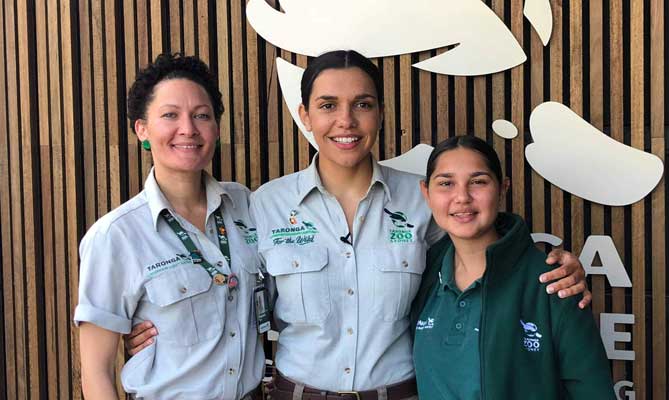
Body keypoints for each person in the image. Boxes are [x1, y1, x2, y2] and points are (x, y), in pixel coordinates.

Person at [126, 50, 590, 399]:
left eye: (362, 104)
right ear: (304, 115)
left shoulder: (424, 197)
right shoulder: (262, 206)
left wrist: (553, 265)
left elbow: (484, 239)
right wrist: (162, 333)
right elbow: (225, 290)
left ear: (380, 114)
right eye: (327, 105)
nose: (345, 121)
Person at [73, 53, 264, 400]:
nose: (188, 129)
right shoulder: (116, 236)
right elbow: (96, 371)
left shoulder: (248, 207)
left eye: (201, 115)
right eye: (170, 115)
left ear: (216, 129)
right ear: (142, 130)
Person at [411, 135, 614, 399]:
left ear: (502, 189)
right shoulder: (422, 273)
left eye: (478, 182)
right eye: (446, 183)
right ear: (426, 192)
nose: (462, 197)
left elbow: (593, 391)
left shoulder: (554, 281)